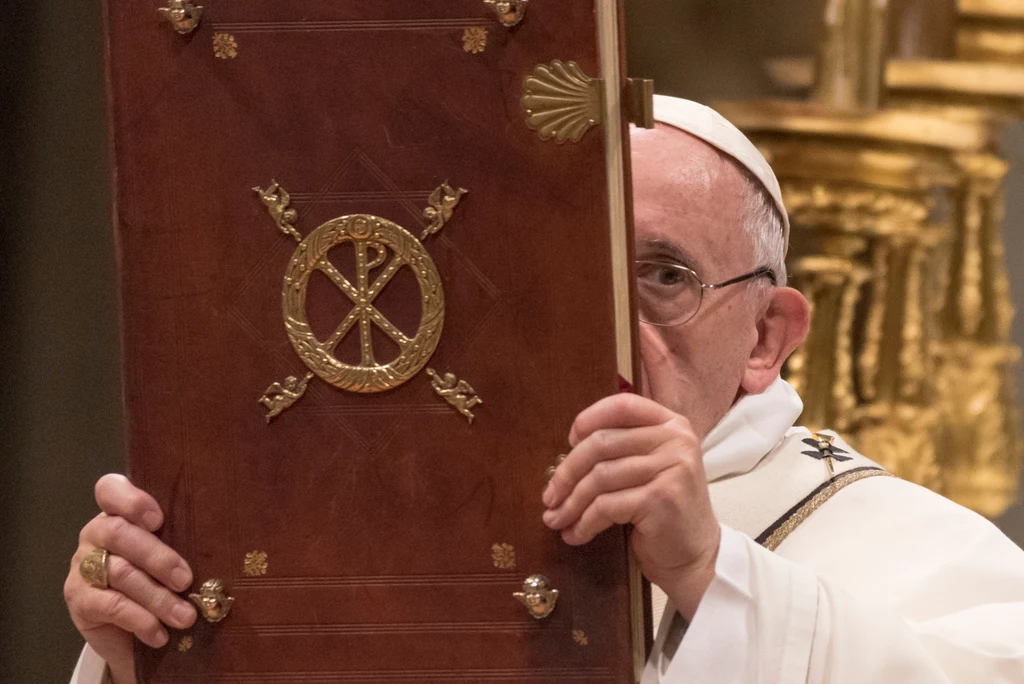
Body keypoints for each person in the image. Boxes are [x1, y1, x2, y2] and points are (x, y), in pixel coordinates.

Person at [65, 96, 1024, 684]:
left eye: (660, 275)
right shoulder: (372, 519)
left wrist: (710, 578)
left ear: (767, 335)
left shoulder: (922, 558)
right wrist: (148, 652)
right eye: (549, 275)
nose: (596, 326)